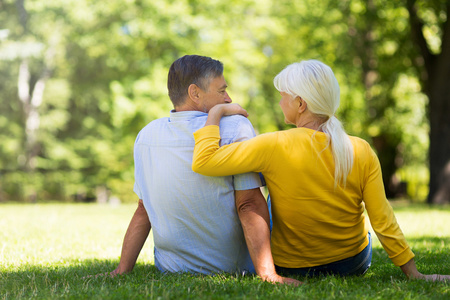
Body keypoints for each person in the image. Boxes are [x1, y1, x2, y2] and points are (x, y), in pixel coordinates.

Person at [191, 59, 450, 281]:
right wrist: (413, 272)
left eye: (283, 96)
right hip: (351, 264)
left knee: (267, 194)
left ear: (300, 104)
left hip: (292, 267)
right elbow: (382, 219)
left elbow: (204, 162)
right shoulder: (360, 149)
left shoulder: (274, 144)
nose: (280, 102)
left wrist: (215, 113)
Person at [98, 55, 299, 285]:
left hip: (171, 268)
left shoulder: (146, 135)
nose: (228, 98)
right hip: (233, 266)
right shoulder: (235, 126)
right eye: (221, 91)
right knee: (276, 196)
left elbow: (144, 209)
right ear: (195, 93)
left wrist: (122, 270)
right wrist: (268, 275)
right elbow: (249, 204)